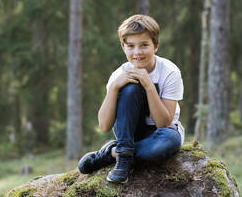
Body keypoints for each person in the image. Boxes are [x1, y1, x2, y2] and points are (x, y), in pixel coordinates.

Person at [78, 14, 185, 183]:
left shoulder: (170, 72)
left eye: (144, 45)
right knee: (130, 87)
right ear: (123, 47)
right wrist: (114, 87)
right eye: (131, 46)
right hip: (130, 133)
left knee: (169, 142)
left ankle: (114, 153)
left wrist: (149, 85)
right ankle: (124, 155)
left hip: (161, 133)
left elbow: (163, 123)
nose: (137, 52)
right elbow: (105, 125)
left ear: (156, 46)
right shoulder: (119, 74)